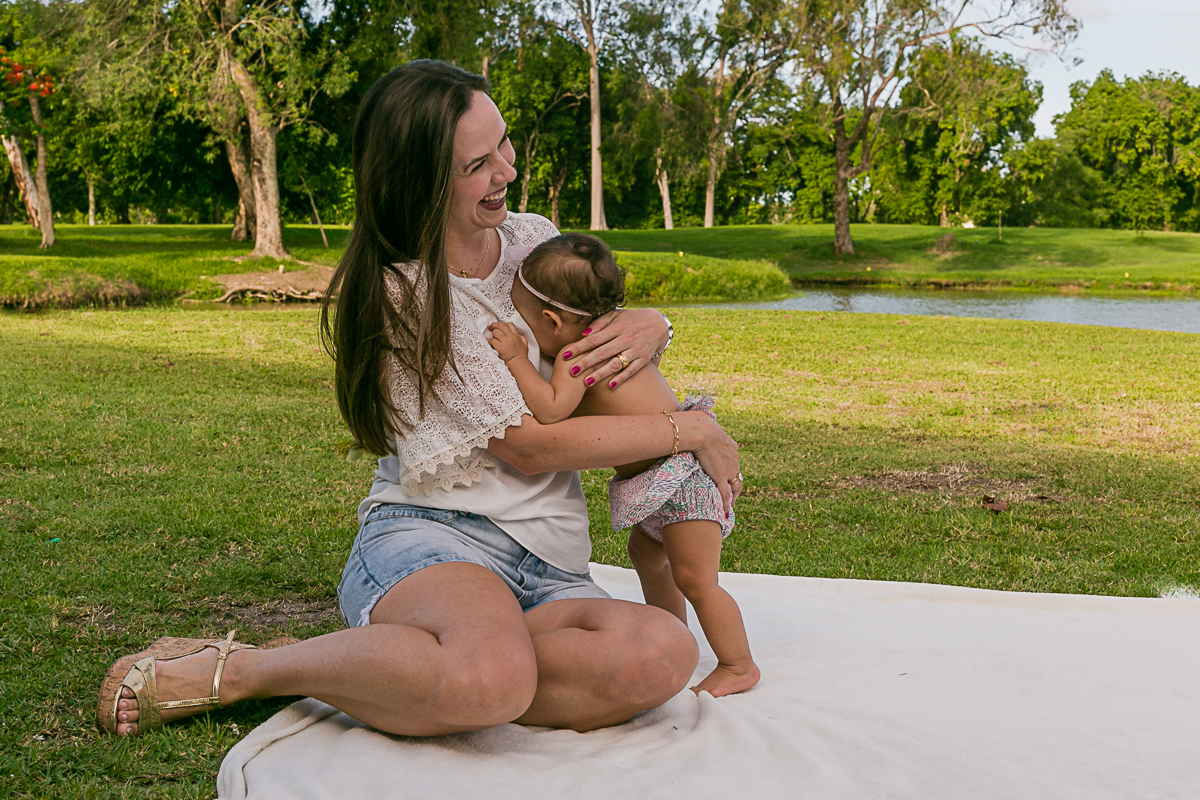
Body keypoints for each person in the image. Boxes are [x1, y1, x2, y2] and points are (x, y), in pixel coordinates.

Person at [96, 60, 741, 738]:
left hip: (551, 564)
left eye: (503, 145)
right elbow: (533, 446)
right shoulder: (407, 293)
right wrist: (690, 428)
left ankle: (411, 668)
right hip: (436, 540)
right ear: (421, 181)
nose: (507, 171)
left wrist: (649, 322)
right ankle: (252, 669)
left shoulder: (531, 239)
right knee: (489, 678)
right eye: (477, 165)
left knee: (660, 655)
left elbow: (591, 341)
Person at [486, 233, 759, 697]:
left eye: (527, 324)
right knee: (648, 557)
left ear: (552, 321)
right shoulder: (610, 335)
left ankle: (739, 665)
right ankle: (676, 638)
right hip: (662, 477)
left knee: (696, 578)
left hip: (681, 480)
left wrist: (516, 358)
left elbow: (551, 411)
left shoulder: (578, 355)